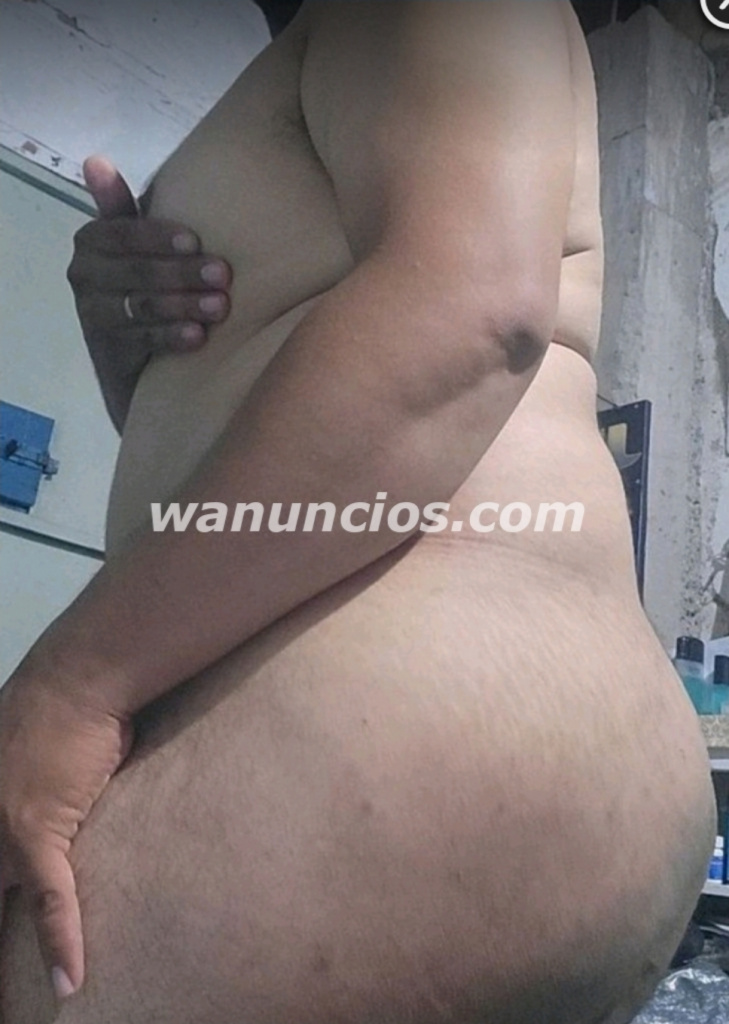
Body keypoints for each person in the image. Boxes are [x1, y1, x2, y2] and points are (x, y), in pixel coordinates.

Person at [0, 2, 717, 1022]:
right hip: (441, 706)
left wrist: (70, 684)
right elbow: (281, 474)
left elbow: (473, 314)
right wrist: (135, 353)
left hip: (425, 687)